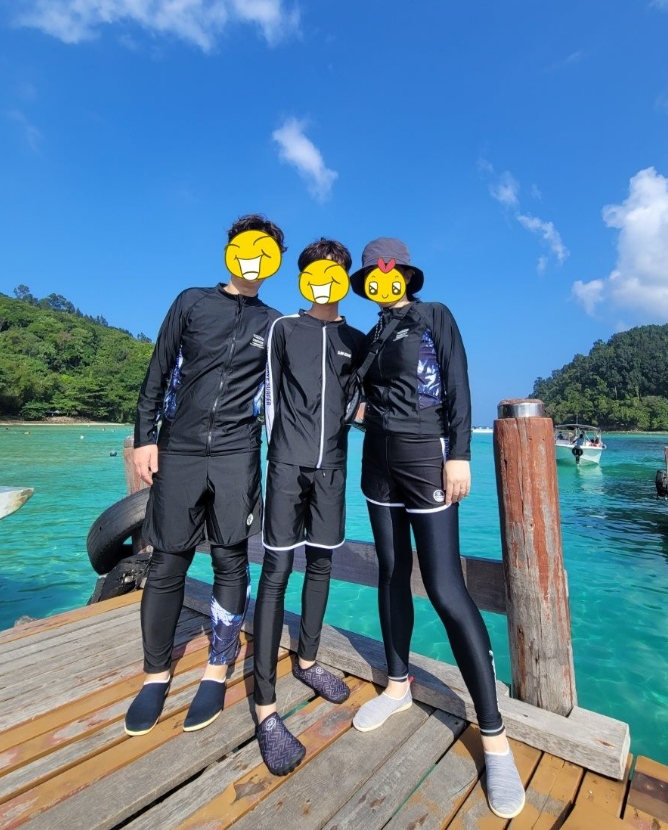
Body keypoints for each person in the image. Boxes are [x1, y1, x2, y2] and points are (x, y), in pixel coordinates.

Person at [348, 238, 525, 820]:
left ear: (403, 274)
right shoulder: (373, 333)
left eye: (387, 274)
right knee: (391, 571)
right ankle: (398, 685)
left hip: (427, 456)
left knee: (446, 587)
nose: (381, 284)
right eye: (371, 279)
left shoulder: (434, 315)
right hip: (377, 462)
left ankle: (494, 737)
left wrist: (459, 453)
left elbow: (457, 382)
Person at [124, 214, 284, 737]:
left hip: (238, 452)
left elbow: (298, 388)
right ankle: (155, 675)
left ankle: (216, 670)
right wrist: (146, 437)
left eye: (265, 252)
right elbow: (158, 371)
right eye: (246, 248)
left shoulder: (274, 323)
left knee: (230, 560)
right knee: (167, 560)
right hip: (181, 446)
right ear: (231, 250)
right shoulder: (191, 302)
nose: (254, 260)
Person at [253, 238, 365, 775]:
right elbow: (267, 396)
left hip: (333, 471)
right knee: (276, 571)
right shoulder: (283, 329)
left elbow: (364, 401)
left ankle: (308, 659)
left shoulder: (356, 340)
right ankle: (265, 707)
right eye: (315, 272)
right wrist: (278, 457)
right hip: (286, 465)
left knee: (321, 564)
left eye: (333, 272)